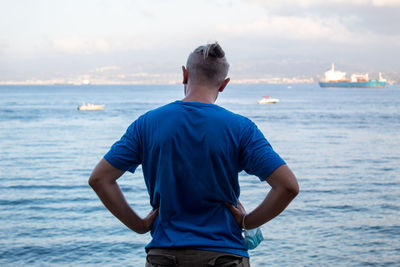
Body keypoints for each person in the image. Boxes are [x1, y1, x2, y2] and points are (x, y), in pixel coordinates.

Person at [88, 42, 299, 267]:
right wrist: (247, 220)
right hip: (224, 256)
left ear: (184, 74)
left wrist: (139, 225)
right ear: (224, 84)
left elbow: (100, 179)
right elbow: (288, 186)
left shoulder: (147, 124)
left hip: (164, 256)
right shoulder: (241, 129)